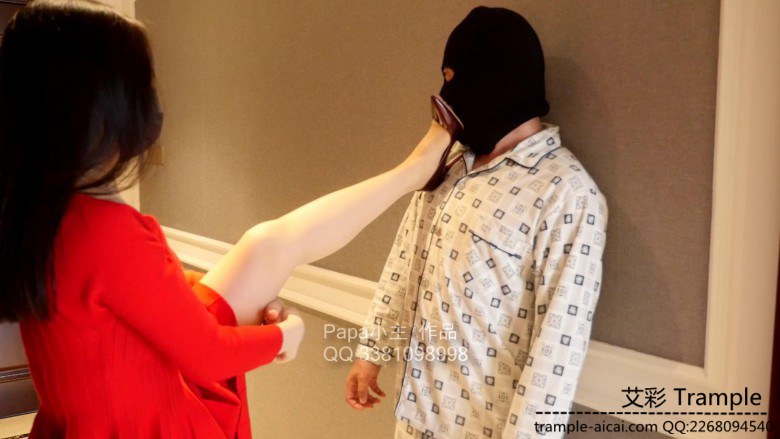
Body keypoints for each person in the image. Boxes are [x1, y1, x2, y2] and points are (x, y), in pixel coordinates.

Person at [0, 0, 452, 437]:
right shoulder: (105, 229)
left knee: (267, 243)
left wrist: (179, 284)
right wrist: (287, 334)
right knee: (273, 243)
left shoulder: (39, 212)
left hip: (94, 414)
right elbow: (209, 356)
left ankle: (412, 172)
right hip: (148, 420)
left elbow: (106, 295)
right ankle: (414, 172)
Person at [346, 7, 608, 439]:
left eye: (454, 79)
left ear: (495, 76)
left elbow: (557, 349)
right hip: (412, 420)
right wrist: (371, 350)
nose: (446, 95)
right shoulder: (447, 166)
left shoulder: (567, 194)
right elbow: (405, 260)